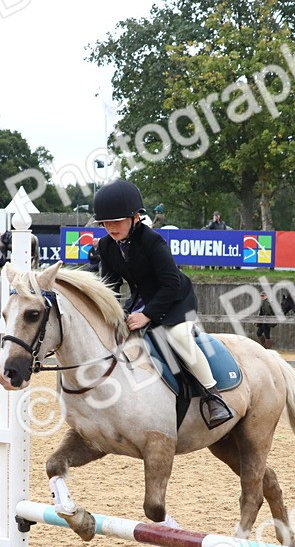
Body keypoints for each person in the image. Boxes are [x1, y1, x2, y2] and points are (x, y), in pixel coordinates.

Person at [93, 179, 232, 428]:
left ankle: (213, 396)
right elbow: (110, 286)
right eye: (105, 223)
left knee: (179, 337)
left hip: (176, 300)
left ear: (135, 217)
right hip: (142, 300)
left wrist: (147, 315)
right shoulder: (106, 246)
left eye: (116, 221)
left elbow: (171, 284)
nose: (110, 228)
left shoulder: (152, 240)